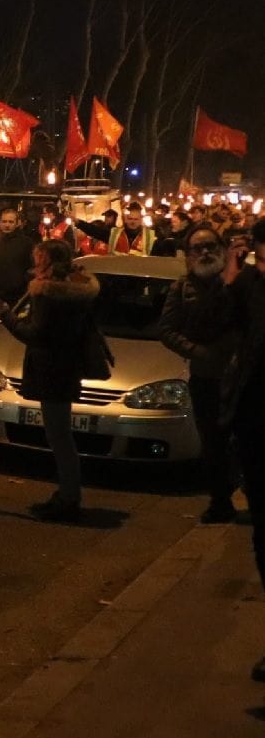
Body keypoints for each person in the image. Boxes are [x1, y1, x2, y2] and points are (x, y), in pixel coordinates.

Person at [0, 239, 99, 522]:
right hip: (66, 367)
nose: (35, 263)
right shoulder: (76, 288)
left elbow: (34, 333)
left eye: (38, 258)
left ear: (48, 261)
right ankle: (67, 494)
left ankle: (69, 498)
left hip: (52, 370)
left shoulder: (48, 295)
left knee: (59, 438)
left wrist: (6, 315)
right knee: (61, 436)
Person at [160, 224, 239, 523]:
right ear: (189, 254)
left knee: (243, 439)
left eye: (211, 246)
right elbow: (166, 329)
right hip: (205, 377)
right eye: (198, 248)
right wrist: (195, 351)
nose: (205, 252)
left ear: (222, 249)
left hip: (240, 376)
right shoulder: (181, 287)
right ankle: (220, 500)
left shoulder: (239, 282)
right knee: (212, 441)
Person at [223, 219, 265, 683]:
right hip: (255, 422)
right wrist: (232, 275)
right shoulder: (249, 284)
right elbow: (220, 321)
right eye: (260, 258)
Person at [0, 208, 36, 307]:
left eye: (11, 222)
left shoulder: (27, 243)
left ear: (17, 223)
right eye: (4, 221)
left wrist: (23, 284)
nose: (7, 225)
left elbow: (33, 266)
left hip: (19, 296)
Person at [76, 201, 155, 256]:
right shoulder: (115, 234)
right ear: (125, 219)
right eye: (130, 219)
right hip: (117, 275)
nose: (133, 222)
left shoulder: (149, 236)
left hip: (140, 276)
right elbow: (95, 231)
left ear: (141, 219)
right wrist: (78, 222)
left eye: (136, 219)